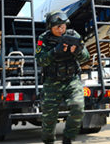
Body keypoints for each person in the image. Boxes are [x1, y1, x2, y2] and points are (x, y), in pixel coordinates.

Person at [35, 11, 90, 144]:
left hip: (71, 80)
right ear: (50, 28)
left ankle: (68, 139)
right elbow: (40, 60)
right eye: (57, 27)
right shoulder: (44, 38)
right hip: (52, 82)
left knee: (78, 107)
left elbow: (86, 57)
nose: (61, 29)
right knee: (49, 118)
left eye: (63, 26)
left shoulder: (73, 35)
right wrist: (54, 51)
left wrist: (77, 51)